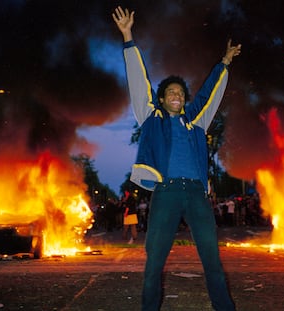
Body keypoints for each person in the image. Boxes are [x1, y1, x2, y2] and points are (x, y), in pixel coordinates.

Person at [112, 6, 241, 311]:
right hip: (166, 192)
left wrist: (224, 62)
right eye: (171, 92)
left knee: (212, 259)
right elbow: (138, 81)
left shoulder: (195, 122)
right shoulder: (152, 119)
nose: (177, 96)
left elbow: (209, 93)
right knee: (154, 261)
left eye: (181, 93)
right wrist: (128, 37)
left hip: (196, 194)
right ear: (162, 99)